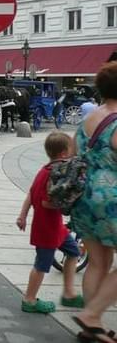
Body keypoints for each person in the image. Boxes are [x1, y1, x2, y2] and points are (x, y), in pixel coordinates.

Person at [70, 61, 117, 342]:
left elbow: (74, 153)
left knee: (98, 262)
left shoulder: (88, 119)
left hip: (85, 197)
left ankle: (93, 326)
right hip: (110, 199)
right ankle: (92, 315)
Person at [16, 131, 83, 314]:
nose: (73, 153)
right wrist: (69, 203)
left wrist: (22, 215)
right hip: (47, 229)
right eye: (71, 150)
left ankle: (69, 293)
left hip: (56, 227)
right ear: (63, 154)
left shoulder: (43, 170)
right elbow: (46, 202)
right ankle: (29, 300)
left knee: (74, 252)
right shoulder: (53, 175)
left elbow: (31, 194)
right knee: (41, 265)